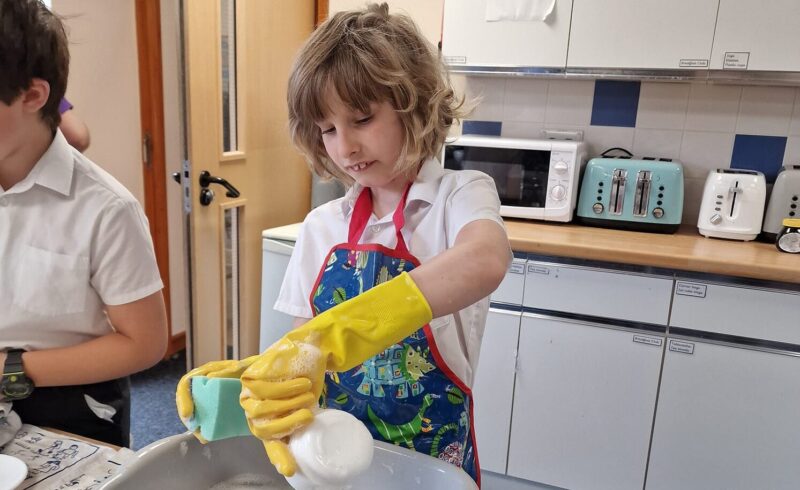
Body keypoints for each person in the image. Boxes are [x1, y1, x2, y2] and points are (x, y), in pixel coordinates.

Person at [176, 3, 510, 485]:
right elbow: (301, 350)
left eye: (361, 119)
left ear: (412, 103)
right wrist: (246, 386)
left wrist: (341, 333)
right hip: (335, 458)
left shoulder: (458, 197)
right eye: (328, 129)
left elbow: (484, 260)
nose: (344, 147)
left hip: (433, 462)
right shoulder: (321, 227)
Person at [0, 0, 168, 447]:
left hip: (71, 408)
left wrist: (9, 368)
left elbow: (145, 343)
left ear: (33, 96)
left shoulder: (107, 209)